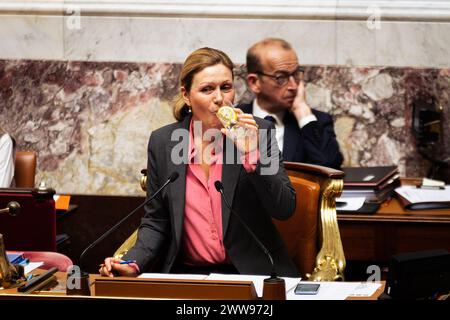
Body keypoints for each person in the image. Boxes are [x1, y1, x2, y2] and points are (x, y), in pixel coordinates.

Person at [99, 47, 299, 278]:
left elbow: (284, 208)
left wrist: (251, 155)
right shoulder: (165, 143)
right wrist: (133, 263)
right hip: (188, 276)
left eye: (226, 87)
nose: (219, 99)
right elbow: (157, 220)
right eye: (207, 89)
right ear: (186, 95)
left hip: (253, 274)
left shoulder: (258, 131)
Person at [240, 38, 343, 169]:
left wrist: (302, 112)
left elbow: (331, 167)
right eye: (281, 77)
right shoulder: (233, 121)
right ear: (254, 82)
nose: (293, 86)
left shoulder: (314, 123)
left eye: (295, 74)